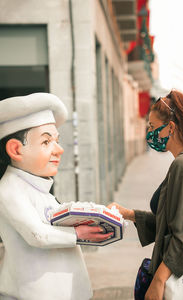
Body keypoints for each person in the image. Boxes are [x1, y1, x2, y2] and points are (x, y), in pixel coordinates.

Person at [0, 93, 113, 300]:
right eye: (46, 142)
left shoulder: (39, 189)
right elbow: (38, 235)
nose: (59, 150)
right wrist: (78, 233)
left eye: (57, 141)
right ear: (16, 149)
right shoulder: (8, 189)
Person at [108, 90, 183, 300]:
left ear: (170, 127)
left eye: (152, 126)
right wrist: (128, 213)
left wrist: (158, 281)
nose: (149, 133)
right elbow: (171, 222)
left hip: (178, 279)